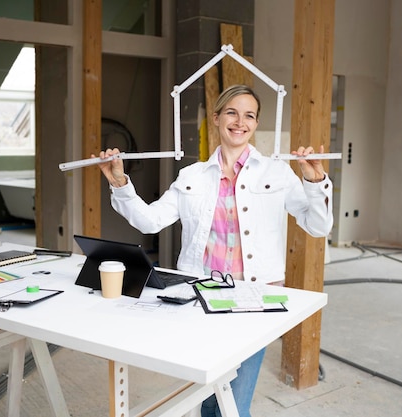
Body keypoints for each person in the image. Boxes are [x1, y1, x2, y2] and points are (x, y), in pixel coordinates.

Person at [94, 84, 333, 417]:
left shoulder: (276, 173)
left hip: (256, 300)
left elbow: (318, 226)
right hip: (200, 298)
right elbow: (150, 221)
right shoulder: (192, 176)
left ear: (256, 122)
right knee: (207, 396)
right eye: (232, 112)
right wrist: (120, 183)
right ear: (217, 118)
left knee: (234, 405)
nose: (240, 122)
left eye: (249, 115)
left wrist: (315, 182)